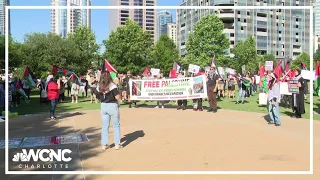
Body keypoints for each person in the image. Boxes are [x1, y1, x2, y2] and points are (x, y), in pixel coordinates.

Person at [93, 71, 122, 150]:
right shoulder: (112, 85)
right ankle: (117, 144)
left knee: (105, 126)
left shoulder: (99, 86)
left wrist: (102, 97)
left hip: (103, 105)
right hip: (112, 105)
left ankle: (104, 144)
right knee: (116, 125)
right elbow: (117, 97)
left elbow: (95, 94)